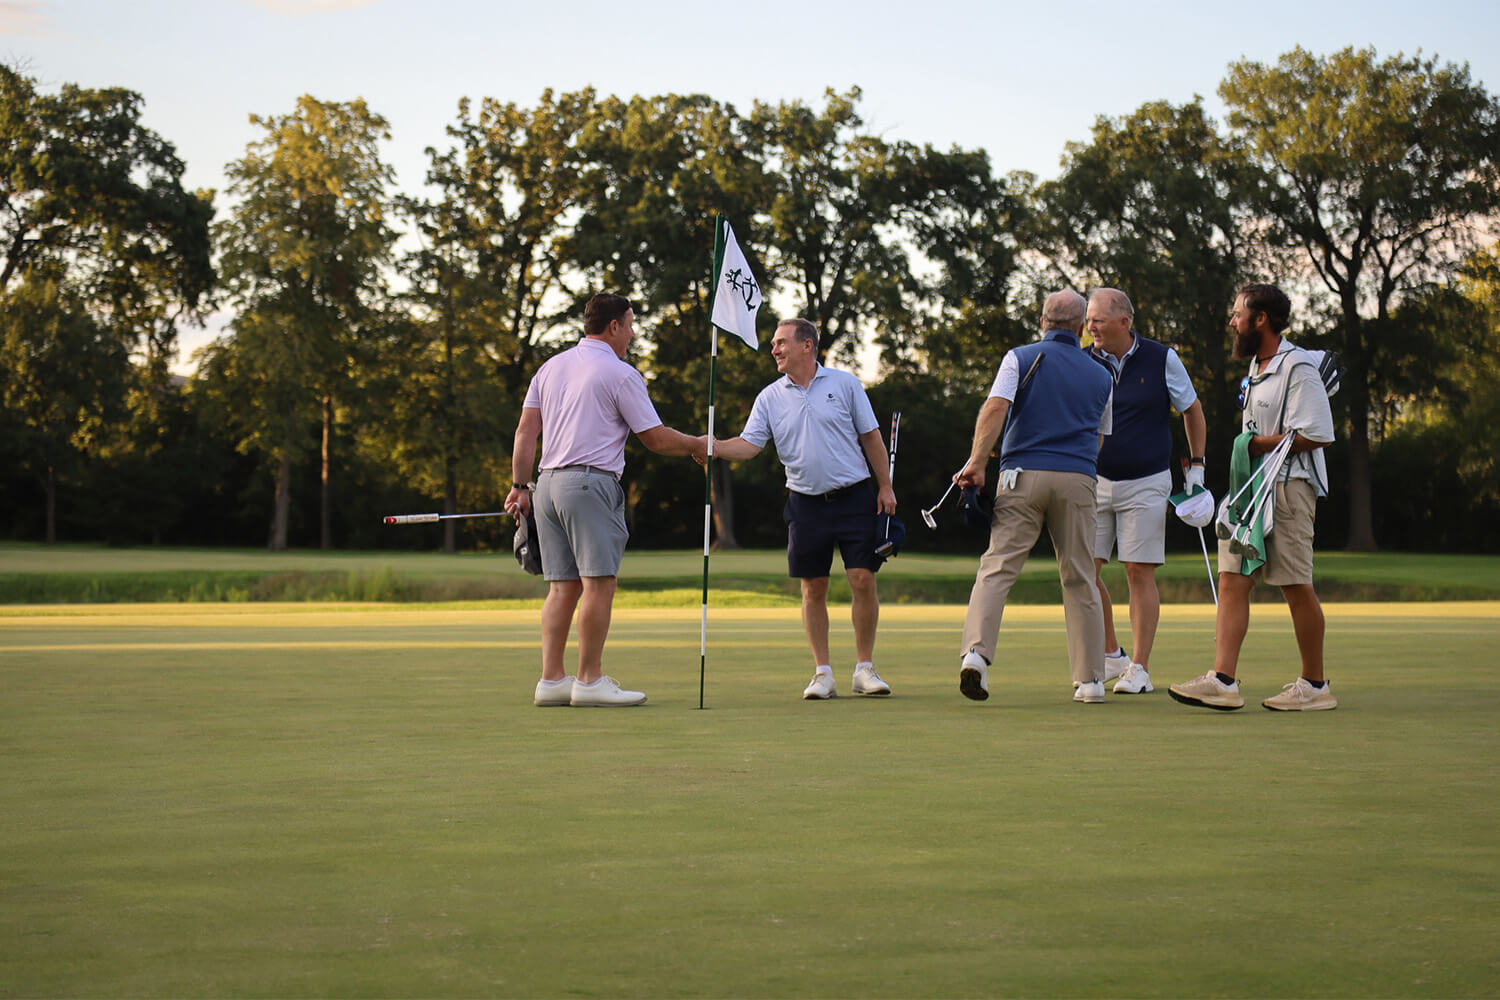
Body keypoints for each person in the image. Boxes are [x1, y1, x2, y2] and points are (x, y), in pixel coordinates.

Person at [506, 293, 707, 707]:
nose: (632, 334)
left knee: (562, 588)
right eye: (630, 325)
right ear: (613, 326)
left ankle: (552, 681)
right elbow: (653, 437)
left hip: (546, 486)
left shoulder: (551, 367)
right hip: (589, 485)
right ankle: (590, 680)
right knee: (600, 584)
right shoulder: (620, 373)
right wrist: (696, 444)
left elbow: (526, 432)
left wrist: (519, 487)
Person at [1168, 283, 1337, 712]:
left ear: (1260, 319)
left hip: (1289, 488)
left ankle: (1315, 685)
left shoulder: (1298, 366)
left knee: (1295, 585)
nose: (1232, 321)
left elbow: (1317, 432)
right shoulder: (1257, 370)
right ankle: (1223, 680)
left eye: (1238, 313)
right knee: (1232, 578)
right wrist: (1252, 451)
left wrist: (1256, 445)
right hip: (1250, 490)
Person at [713, 318, 898, 700]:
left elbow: (871, 437)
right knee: (813, 587)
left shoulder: (844, 384)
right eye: (773, 344)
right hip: (804, 503)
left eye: (781, 343)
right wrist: (710, 445)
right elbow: (749, 446)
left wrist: (885, 486)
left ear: (807, 346)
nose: (774, 350)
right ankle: (822, 673)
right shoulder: (769, 397)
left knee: (863, 579)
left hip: (854, 497)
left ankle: (864, 668)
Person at [956, 290, 1115, 704]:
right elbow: (1099, 437)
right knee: (1081, 576)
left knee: (998, 568)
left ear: (1042, 321)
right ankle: (1091, 680)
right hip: (1078, 478)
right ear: (1081, 328)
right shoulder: (1102, 373)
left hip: (1021, 475)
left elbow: (995, 408)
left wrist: (976, 462)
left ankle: (976, 655)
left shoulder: (1020, 357)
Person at [1085, 288, 1208, 695]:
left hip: (1147, 480)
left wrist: (1197, 469)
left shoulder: (1161, 358)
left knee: (1139, 570)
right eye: (1089, 319)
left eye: (1098, 319)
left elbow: (1191, 409)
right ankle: (1111, 653)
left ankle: (1139, 667)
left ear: (1124, 321)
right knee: (1086, 569)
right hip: (1094, 480)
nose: (1091, 327)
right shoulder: (1083, 361)